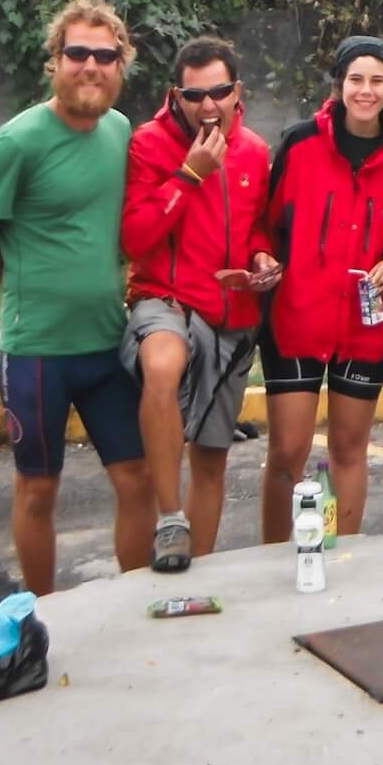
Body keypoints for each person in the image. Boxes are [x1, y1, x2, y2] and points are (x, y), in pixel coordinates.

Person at [0, 0, 153, 595]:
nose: (91, 66)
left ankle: (131, 604)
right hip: (36, 351)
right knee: (39, 488)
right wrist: (24, 285)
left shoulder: (120, 132)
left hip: (105, 345)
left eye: (105, 56)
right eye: (77, 53)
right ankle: (41, 613)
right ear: (54, 63)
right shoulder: (19, 141)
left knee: (136, 477)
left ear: (122, 66)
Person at [119, 36, 279, 573]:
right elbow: (136, 238)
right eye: (194, 95)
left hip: (231, 312)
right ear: (175, 95)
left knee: (211, 461)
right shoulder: (148, 143)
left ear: (238, 92)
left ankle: (194, 580)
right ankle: (170, 517)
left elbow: (260, 226)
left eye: (219, 92)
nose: (207, 105)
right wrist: (189, 175)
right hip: (165, 300)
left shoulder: (256, 150)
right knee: (161, 365)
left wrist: (262, 257)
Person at [258, 35, 383, 543]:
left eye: (376, 81)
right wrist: (260, 255)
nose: (366, 91)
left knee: (350, 448)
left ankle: (341, 554)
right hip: (297, 318)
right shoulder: (299, 143)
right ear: (339, 84)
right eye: (356, 79)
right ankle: (275, 555)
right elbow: (264, 224)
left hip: (365, 327)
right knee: (288, 449)